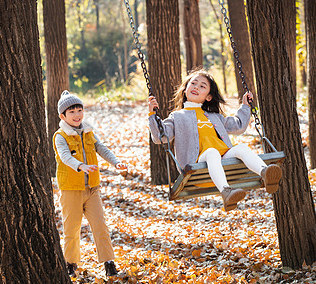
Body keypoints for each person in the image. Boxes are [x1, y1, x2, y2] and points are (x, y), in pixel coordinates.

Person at [148, 68, 282, 212]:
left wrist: (245, 106)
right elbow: (160, 137)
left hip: (223, 159)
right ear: (185, 89)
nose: (196, 87)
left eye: (202, 86)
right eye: (193, 83)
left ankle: (266, 173)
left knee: (241, 148)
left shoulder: (214, 116)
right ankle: (226, 192)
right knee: (212, 152)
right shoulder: (177, 117)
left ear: (209, 97)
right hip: (196, 163)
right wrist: (152, 114)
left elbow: (238, 126)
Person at [53, 90, 127, 277]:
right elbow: (64, 156)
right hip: (71, 190)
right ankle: (70, 263)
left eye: (79, 110)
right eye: (72, 112)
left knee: (100, 225)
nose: (77, 115)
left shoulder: (88, 131)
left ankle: (109, 262)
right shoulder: (60, 135)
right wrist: (80, 166)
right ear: (63, 116)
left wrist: (116, 162)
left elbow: (101, 148)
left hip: (92, 189)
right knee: (71, 229)